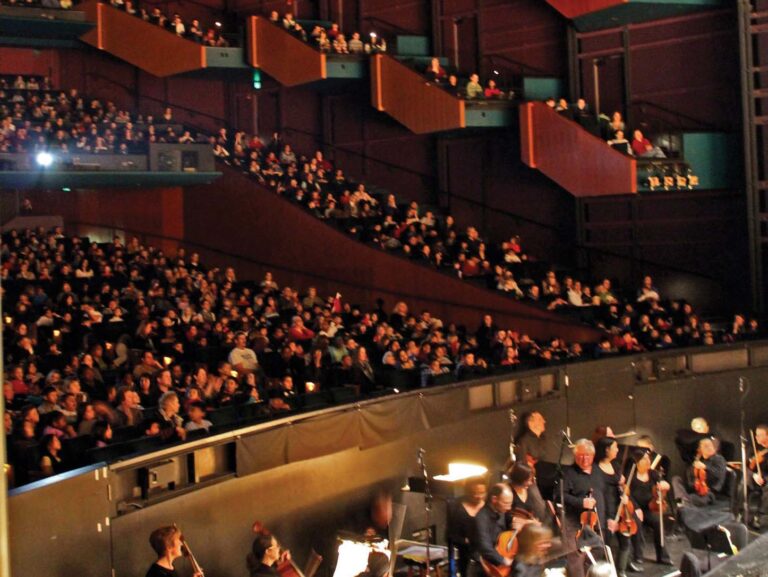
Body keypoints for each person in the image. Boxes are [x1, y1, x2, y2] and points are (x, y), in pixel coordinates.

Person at [559, 439, 605, 577]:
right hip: (574, 523)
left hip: (596, 522)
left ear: (593, 455)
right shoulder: (568, 473)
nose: (584, 458)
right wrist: (581, 502)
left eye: (587, 455)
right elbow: (560, 496)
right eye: (580, 455)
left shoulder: (597, 470)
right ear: (575, 456)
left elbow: (605, 493)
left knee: (596, 553)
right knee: (576, 557)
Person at [593, 437, 638, 577]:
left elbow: (622, 486)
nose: (617, 450)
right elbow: (598, 493)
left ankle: (622, 570)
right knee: (606, 544)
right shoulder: (595, 468)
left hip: (621, 508)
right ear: (606, 449)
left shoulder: (616, 465)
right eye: (615, 447)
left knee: (625, 539)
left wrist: (624, 492)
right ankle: (607, 572)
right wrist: (607, 518)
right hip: (606, 509)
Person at [628, 449, 673, 565]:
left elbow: (666, 484)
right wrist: (636, 508)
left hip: (650, 507)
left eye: (649, 459)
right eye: (645, 459)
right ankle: (638, 555)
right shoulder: (631, 476)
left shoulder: (653, 473)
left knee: (658, 522)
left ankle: (663, 557)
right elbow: (628, 495)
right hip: (635, 508)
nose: (649, 461)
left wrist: (663, 485)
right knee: (636, 523)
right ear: (638, 462)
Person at [446, 477, 487, 577]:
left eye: (482, 492)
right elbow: (450, 534)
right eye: (475, 492)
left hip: (484, 552)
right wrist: (465, 541)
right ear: (467, 491)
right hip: (463, 552)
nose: (479, 496)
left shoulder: (488, 506)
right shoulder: (455, 506)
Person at [472, 483, 514, 569]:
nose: (509, 508)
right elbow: (485, 548)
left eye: (510, 503)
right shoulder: (481, 518)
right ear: (494, 499)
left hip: (499, 557)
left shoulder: (501, 511)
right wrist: (504, 561)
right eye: (506, 503)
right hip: (482, 565)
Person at [686, 437, 727, 506]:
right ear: (700, 450)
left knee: (692, 499)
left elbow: (718, 474)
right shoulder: (700, 460)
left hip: (711, 492)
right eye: (706, 446)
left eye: (710, 445)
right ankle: (683, 499)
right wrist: (693, 468)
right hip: (697, 491)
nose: (709, 447)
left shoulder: (719, 459)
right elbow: (690, 476)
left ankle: (685, 500)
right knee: (676, 479)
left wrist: (705, 467)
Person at [749, 424, 768, 529]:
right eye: (756, 435)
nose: (756, 437)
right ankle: (740, 512)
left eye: (760, 435)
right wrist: (755, 475)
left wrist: (763, 478)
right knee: (744, 480)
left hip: (765, 480)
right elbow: (747, 467)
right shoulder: (754, 449)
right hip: (754, 478)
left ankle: (760, 517)